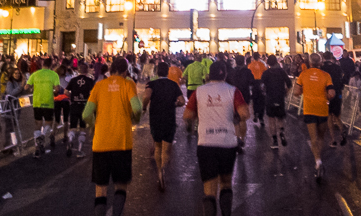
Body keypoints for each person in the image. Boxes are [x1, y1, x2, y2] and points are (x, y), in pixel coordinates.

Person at [183, 61, 249, 216]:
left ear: (208, 75)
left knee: (209, 187)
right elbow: (245, 114)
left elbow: (187, 116)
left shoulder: (199, 92)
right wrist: (234, 118)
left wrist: (196, 121)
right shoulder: (233, 91)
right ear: (225, 74)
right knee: (226, 182)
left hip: (206, 142)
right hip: (227, 143)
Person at [83, 57, 142, 216]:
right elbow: (137, 108)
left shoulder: (99, 85)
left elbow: (86, 114)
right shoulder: (128, 84)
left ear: (111, 69)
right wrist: (135, 119)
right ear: (125, 71)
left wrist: (95, 125)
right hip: (121, 142)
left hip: (100, 142)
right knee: (120, 185)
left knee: (101, 187)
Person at [294, 52, 336, 182]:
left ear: (310, 63)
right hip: (322, 109)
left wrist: (304, 91)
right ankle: (319, 158)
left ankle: (317, 161)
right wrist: (327, 96)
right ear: (321, 63)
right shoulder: (326, 76)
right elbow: (331, 93)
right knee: (321, 137)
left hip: (309, 109)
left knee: (313, 138)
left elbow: (296, 92)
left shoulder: (303, 75)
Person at [143, 61, 185, 190]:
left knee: (157, 146)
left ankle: (159, 173)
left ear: (156, 72)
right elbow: (182, 101)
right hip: (169, 117)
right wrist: (175, 104)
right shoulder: (173, 85)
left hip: (155, 117)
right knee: (166, 148)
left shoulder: (152, 84)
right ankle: (163, 170)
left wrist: (144, 107)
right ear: (167, 72)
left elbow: (147, 96)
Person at [26, 57, 60, 156]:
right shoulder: (54, 74)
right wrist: (53, 92)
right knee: (49, 122)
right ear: (51, 65)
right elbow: (57, 89)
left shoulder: (35, 74)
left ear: (42, 64)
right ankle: (43, 135)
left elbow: (27, 87)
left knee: (38, 124)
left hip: (37, 102)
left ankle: (37, 148)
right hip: (48, 102)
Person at [66, 62, 96, 157]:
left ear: (79, 70)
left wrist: (72, 97)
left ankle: (70, 139)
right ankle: (79, 151)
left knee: (73, 126)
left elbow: (66, 91)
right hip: (84, 106)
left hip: (74, 105)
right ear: (87, 70)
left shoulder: (73, 80)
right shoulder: (90, 80)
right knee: (83, 128)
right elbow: (93, 93)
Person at [262, 55, 291, 149]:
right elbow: (289, 84)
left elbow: (262, 87)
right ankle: (282, 132)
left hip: (270, 98)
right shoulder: (282, 72)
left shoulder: (266, 73)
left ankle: (274, 141)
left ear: (268, 63)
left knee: (271, 120)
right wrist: (285, 92)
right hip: (280, 97)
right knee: (280, 118)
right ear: (276, 62)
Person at [321, 51, 347, 147]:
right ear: (331, 57)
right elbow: (342, 78)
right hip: (337, 93)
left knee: (329, 117)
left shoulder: (322, 69)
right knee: (336, 115)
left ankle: (333, 139)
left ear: (323, 58)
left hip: (326, 94)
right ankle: (342, 130)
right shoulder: (337, 67)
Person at [247, 53, 267, 127]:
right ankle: (261, 118)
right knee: (262, 101)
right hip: (261, 83)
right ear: (258, 57)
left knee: (255, 100)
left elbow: (249, 75)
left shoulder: (250, 65)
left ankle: (255, 114)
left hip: (254, 84)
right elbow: (265, 73)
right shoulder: (262, 65)